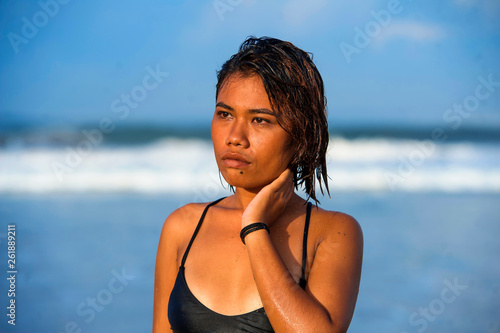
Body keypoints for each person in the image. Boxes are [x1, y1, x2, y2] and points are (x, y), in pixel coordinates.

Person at [153, 36, 363, 333]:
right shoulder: (182, 227)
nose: (235, 136)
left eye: (260, 120)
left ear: (300, 136)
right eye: (225, 114)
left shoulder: (332, 233)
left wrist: (254, 229)